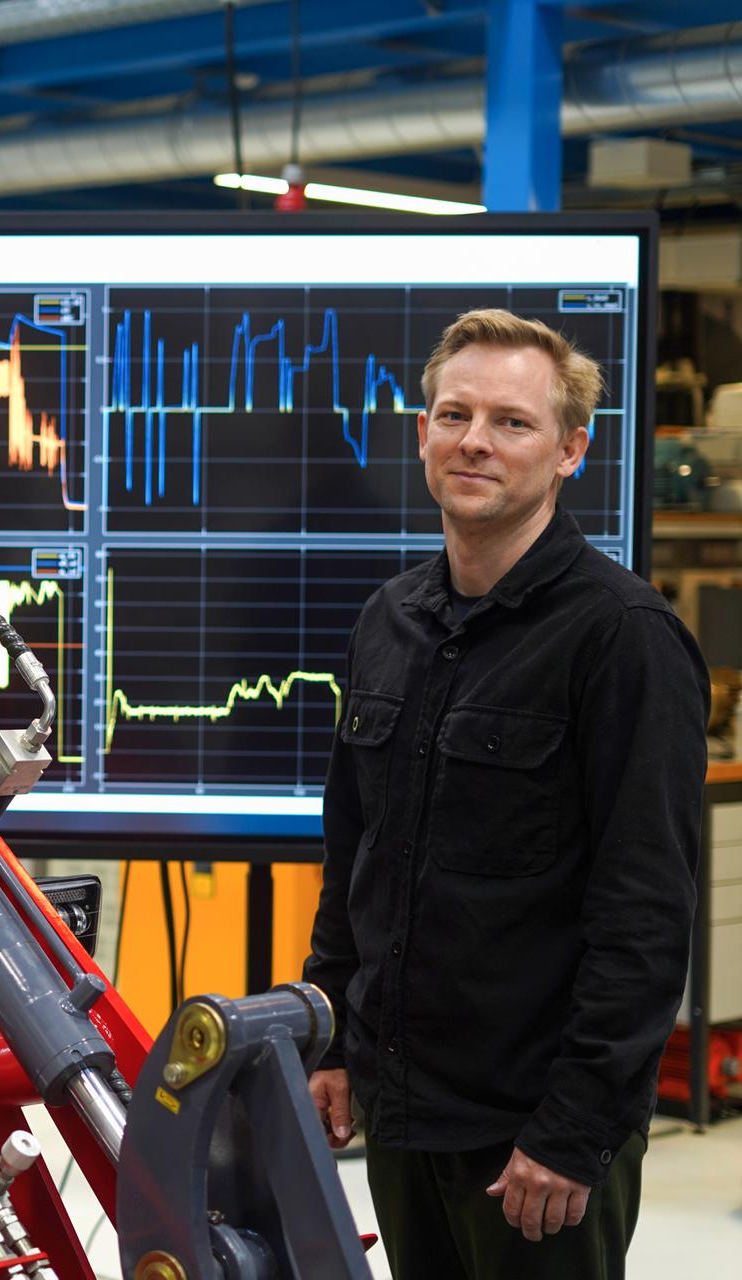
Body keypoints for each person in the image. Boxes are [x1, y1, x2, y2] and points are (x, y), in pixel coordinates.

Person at [303, 308, 707, 1279]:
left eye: (512, 422)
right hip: (404, 1108)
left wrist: (577, 1126)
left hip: (534, 1133)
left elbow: (646, 912)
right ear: (423, 433)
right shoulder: (387, 621)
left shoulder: (623, 637)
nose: (475, 440)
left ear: (570, 451)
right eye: (456, 414)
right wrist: (332, 1036)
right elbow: (354, 850)